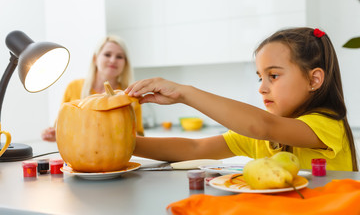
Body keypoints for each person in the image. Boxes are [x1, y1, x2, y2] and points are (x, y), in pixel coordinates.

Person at [125, 27, 358, 171]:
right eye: (260, 78)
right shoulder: (262, 137)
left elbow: (261, 125)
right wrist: (124, 144)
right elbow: (195, 148)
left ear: (314, 80)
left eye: (273, 76)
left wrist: (185, 93)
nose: (262, 88)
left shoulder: (327, 125)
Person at [42, 35, 144, 142]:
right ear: (95, 59)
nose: (113, 60)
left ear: (125, 63)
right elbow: (61, 127)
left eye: (119, 57)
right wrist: (54, 134)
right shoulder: (74, 87)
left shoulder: (130, 96)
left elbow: (139, 136)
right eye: (107, 54)